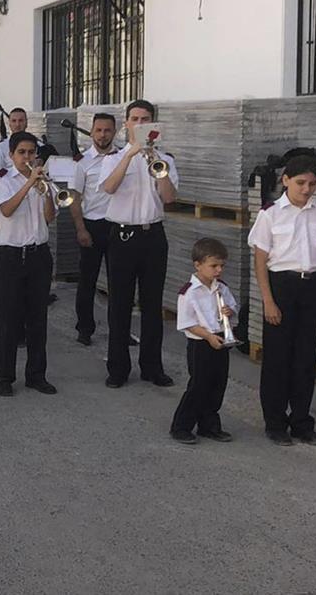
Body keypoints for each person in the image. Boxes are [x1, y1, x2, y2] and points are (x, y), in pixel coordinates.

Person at [248, 155, 316, 446]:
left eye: (312, 184)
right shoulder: (270, 214)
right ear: (285, 181)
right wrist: (268, 301)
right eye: (300, 183)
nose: (306, 189)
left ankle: (301, 422)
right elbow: (260, 261)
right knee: (277, 357)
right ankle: (275, 422)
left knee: (306, 356)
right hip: (281, 288)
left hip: (312, 287)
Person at [99, 99, 179, 389]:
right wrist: (131, 154)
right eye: (135, 119)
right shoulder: (113, 158)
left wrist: (157, 165)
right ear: (127, 124)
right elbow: (109, 187)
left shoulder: (165, 159)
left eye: (145, 119)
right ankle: (118, 368)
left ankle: (152, 367)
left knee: (152, 304)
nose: (140, 124)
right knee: (119, 305)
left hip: (153, 235)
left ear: (154, 124)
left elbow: (169, 198)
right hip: (122, 236)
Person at [0, 132, 58, 396]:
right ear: (11, 155)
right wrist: (29, 183)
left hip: (38, 254)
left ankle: (36, 375)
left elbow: (50, 217)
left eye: (31, 152)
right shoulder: (3, 179)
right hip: (11, 255)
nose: (27, 157)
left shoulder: (43, 179)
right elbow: (7, 210)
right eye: (22, 152)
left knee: (38, 319)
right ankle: (4, 377)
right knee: (9, 319)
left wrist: (46, 191)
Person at [169, 238, 239, 445]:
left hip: (220, 339)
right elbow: (187, 323)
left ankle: (209, 425)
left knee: (218, 385)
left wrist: (229, 311)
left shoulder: (222, 288)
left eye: (222, 266)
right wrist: (208, 336)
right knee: (198, 386)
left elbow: (233, 308)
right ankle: (181, 426)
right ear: (197, 265)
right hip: (201, 343)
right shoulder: (189, 292)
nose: (219, 270)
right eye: (214, 266)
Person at [70, 113, 119, 346]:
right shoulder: (82, 162)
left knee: (118, 284)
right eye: (98, 130)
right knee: (87, 280)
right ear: (91, 132)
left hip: (118, 225)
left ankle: (119, 330)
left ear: (114, 132)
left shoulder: (123, 157)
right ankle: (85, 329)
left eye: (107, 130)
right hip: (92, 225)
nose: (102, 135)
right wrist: (81, 229)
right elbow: (75, 198)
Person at [0, 108, 28, 177]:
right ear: (9, 124)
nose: (17, 124)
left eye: (21, 121)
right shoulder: (0, 148)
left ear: (26, 122)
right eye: (14, 121)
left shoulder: (38, 146)